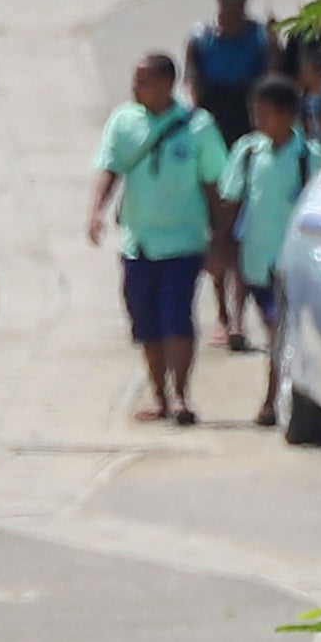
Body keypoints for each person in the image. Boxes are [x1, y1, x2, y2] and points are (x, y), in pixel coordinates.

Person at [88, 51, 228, 427]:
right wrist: (97, 211)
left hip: (183, 243)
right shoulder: (123, 121)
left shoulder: (197, 127)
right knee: (146, 322)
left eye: (144, 80)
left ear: (167, 83)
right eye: (135, 80)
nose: (136, 87)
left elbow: (216, 183)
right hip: (138, 243)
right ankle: (159, 396)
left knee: (177, 318)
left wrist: (221, 238)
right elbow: (110, 167)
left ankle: (181, 395)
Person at [185, 0, 277, 342]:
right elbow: (193, 85)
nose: (234, 0)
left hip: (249, 134)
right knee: (215, 227)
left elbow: (272, 84)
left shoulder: (260, 37)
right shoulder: (201, 37)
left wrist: (275, 42)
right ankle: (222, 312)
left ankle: (237, 319)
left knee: (240, 227)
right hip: (213, 137)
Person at [220, 79, 308, 426]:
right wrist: (221, 249)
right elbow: (230, 201)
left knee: (279, 330)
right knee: (278, 332)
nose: (259, 120)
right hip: (256, 263)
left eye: (266, 113)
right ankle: (280, 397)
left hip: (294, 264)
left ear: (287, 116)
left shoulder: (308, 157)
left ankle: (274, 400)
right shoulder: (248, 152)